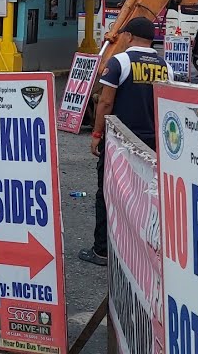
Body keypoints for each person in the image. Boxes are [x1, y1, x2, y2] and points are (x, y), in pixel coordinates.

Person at [80, 16, 170, 266]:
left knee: (109, 193)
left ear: (128, 37)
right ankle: (138, 252)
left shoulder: (120, 61)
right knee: (144, 198)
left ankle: (102, 250)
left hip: (121, 142)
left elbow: (106, 102)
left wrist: (97, 134)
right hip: (152, 143)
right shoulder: (165, 65)